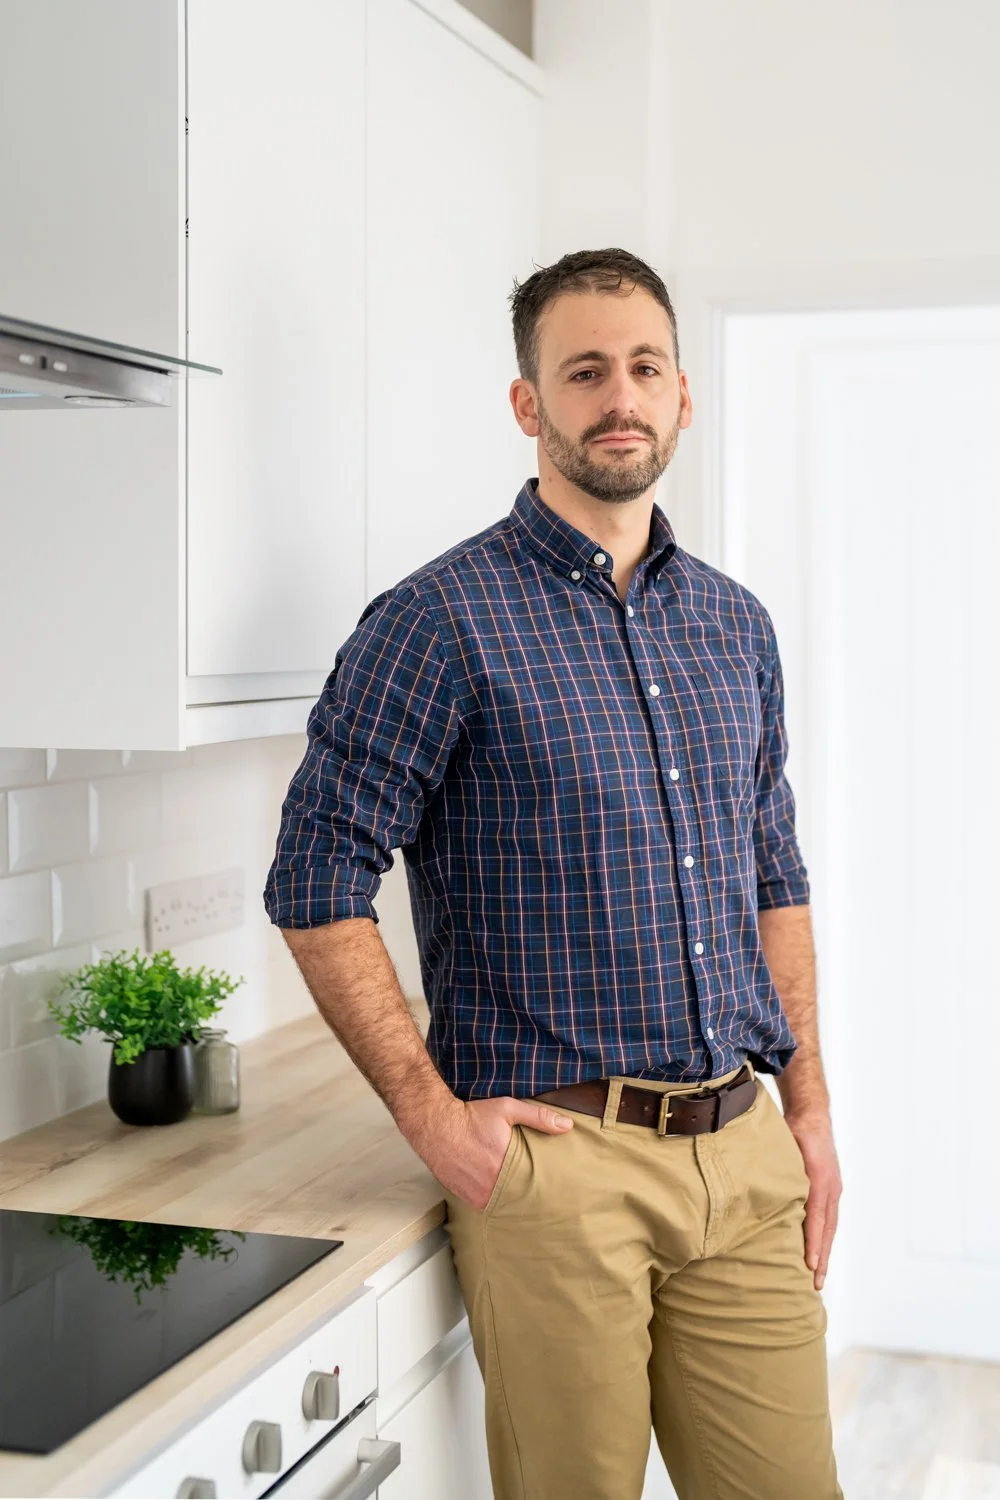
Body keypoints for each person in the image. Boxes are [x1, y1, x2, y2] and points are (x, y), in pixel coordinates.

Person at [263, 246, 844, 1500]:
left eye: (642, 368)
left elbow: (774, 877)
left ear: (684, 394)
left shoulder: (735, 624)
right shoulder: (439, 621)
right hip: (560, 1168)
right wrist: (431, 1119)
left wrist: (810, 1108)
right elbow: (315, 876)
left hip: (744, 1151)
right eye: (583, 372)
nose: (617, 397)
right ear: (530, 404)